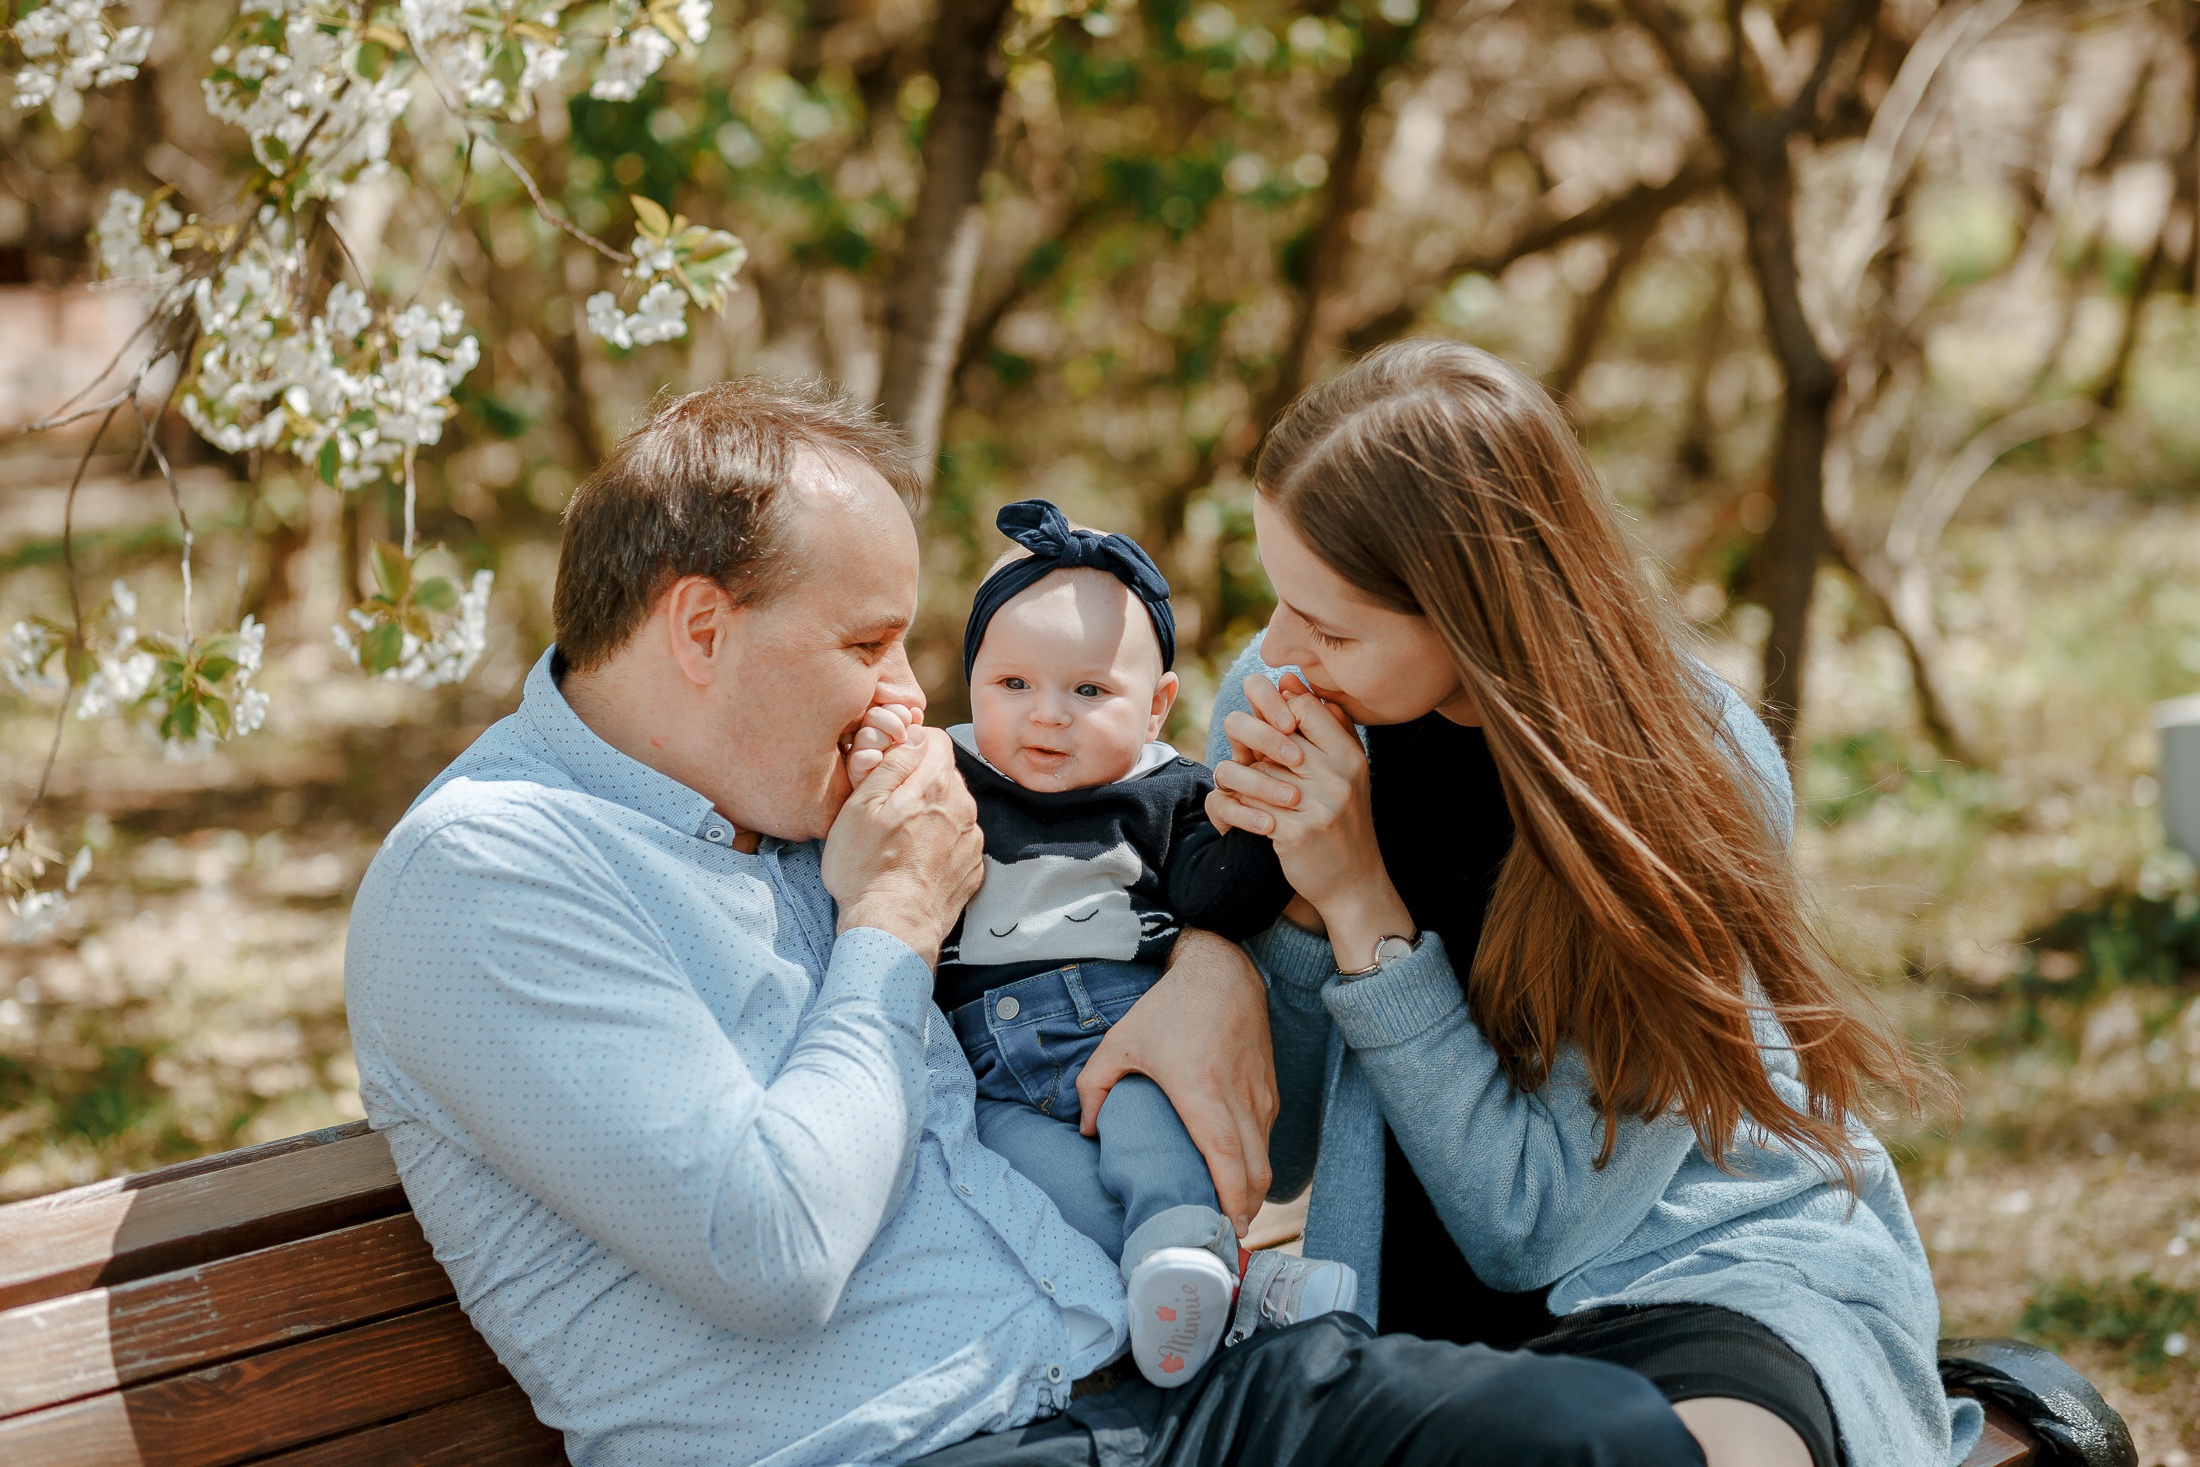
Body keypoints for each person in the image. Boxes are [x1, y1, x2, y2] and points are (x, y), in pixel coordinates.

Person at [343, 377, 1713, 1467]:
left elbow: (1096, 839)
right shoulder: (497, 876)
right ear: (700, 627)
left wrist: (1221, 951)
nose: (905, 698)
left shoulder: (793, 784)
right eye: (870, 643)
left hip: (1154, 1382)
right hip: (917, 1439)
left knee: (1598, 1439)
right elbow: (768, 1248)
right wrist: (888, 916)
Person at [1200, 340, 1982, 1467]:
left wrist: (1361, 903)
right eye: (1274, 600)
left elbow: (1538, 1225)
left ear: (1469, 616)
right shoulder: (1287, 705)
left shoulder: (1687, 770)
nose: (1277, 651)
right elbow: (1272, 1155)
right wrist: (1276, 921)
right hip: (1404, 1300)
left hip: (1699, 1271)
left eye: (1326, 626)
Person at [921, 497, 1355, 1388]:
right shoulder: (945, 773)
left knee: (1156, 1146)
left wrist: (1262, 815)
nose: (1047, 717)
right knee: (1039, 1191)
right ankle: (1241, 1288)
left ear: (1156, 707)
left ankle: (1195, 1264)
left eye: (1089, 691)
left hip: (1125, 1034)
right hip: (984, 1072)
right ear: (972, 685)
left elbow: (1218, 897)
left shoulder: (1164, 793)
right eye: (1013, 686)